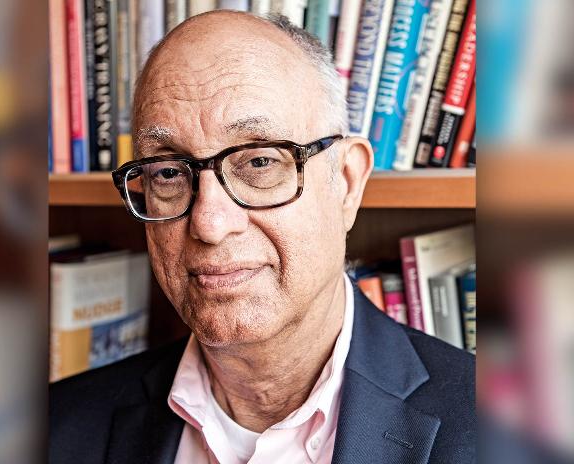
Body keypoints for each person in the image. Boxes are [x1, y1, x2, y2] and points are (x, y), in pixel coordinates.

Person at [49, 10, 474, 464]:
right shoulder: (55, 430)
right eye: (169, 172)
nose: (210, 224)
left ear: (347, 183)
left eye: (259, 163)